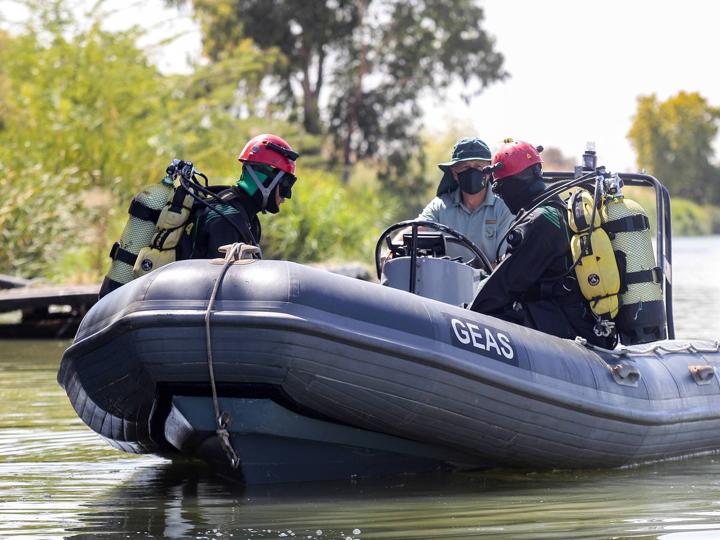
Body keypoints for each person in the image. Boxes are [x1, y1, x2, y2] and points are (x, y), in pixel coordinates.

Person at [469, 138, 616, 348]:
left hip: (565, 328)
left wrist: (464, 317)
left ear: (512, 184)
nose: (500, 197)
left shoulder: (539, 222)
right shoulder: (560, 211)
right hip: (585, 323)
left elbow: (504, 286)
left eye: (499, 189)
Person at [177, 133, 299, 259]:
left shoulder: (244, 216)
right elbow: (221, 277)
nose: (287, 195)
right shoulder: (227, 219)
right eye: (285, 185)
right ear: (265, 180)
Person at [418, 136, 514, 264]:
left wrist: (470, 275)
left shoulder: (504, 207)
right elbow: (415, 229)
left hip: (490, 283)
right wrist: (392, 250)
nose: (472, 171)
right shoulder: (441, 205)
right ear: (454, 172)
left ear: (489, 171)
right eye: (465, 167)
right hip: (444, 282)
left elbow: (505, 263)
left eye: (478, 166)